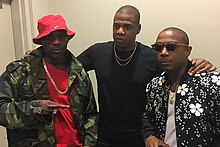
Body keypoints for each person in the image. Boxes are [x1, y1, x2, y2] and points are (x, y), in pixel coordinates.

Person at [77, 5, 216, 147]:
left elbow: (178, 68)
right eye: (116, 26)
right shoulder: (97, 52)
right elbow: (68, 69)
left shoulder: (153, 57)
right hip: (105, 137)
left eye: (127, 27)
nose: (120, 31)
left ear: (138, 29)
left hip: (142, 138)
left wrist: (196, 64)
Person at [0, 14, 98, 147]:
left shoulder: (78, 72)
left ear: (67, 39)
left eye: (61, 37)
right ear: (41, 41)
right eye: (50, 37)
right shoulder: (21, 71)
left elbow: (91, 115)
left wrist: (88, 144)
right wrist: (35, 109)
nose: (56, 42)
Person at [142, 27, 220, 147]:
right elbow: (147, 117)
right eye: (158, 47)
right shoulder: (154, 86)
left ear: (187, 50)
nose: (163, 52)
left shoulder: (211, 83)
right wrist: (149, 135)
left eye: (171, 47)